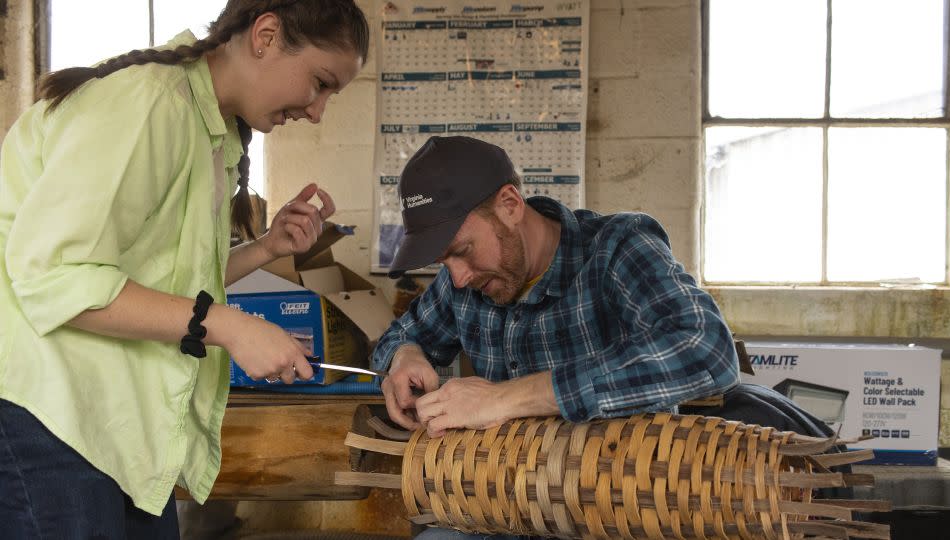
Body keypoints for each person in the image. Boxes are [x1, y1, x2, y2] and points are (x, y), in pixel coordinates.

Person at [0, 1, 368, 537]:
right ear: (265, 35)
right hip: (51, 413)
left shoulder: (207, 128)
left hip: (113, 419)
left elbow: (161, 283)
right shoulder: (147, 103)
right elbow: (54, 276)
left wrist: (267, 248)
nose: (317, 112)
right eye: (320, 83)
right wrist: (231, 325)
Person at [374, 135, 741, 439]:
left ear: (510, 205)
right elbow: (398, 338)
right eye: (443, 262)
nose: (458, 278)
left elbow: (707, 349)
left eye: (463, 251)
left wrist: (505, 399)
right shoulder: (464, 280)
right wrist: (404, 356)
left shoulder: (616, 248)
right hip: (504, 504)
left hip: (621, 503)